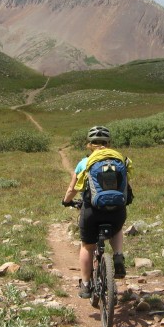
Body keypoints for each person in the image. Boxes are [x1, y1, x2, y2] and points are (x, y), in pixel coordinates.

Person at [62, 125, 132, 299]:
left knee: (87, 246)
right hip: (117, 210)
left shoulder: (84, 163)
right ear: (109, 143)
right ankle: (117, 256)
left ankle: (86, 285)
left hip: (92, 211)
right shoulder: (121, 160)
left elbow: (72, 189)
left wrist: (66, 201)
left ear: (89, 145)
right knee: (116, 228)